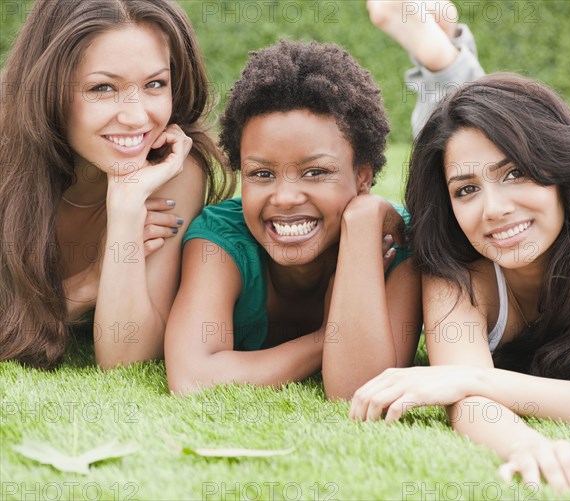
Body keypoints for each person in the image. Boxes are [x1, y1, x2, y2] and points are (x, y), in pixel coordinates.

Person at [352, 1, 570, 492]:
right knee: (459, 137)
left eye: (518, 173)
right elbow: (465, 397)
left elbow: (464, 383)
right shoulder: (457, 263)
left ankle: (442, 62)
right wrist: (525, 444)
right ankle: (441, 62)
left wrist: (476, 380)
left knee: (481, 128)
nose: (493, 209)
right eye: (465, 191)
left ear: (558, 171)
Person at [165, 39, 422, 395]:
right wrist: (326, 338)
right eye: (262, 174)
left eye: (315, 172)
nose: (284, 198)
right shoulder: (221, 239)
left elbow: (358, 388)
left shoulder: (398, 241)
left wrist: (363, 221)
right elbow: (193, 378)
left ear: (363, 177)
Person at [0, 0, 234, 368]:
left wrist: (126, 207)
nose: (137, 116)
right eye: (103, 88)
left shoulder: (172, 169)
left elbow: (126, 358)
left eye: (155, 84)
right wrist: (89, 283)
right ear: (48, 88)